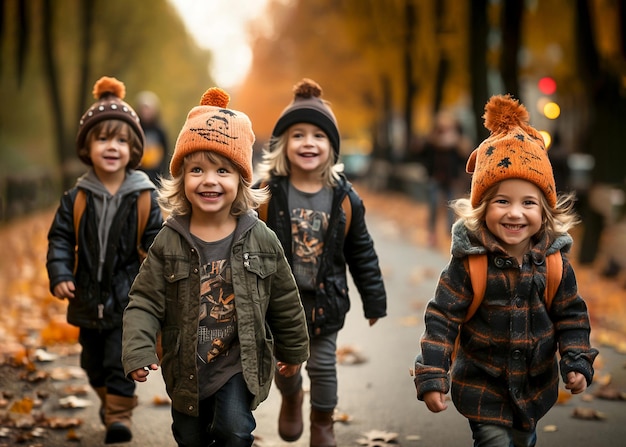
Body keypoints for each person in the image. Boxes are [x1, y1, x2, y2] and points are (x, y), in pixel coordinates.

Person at [121, 86, 309, 447]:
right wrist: (139, 349)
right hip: (186, 364)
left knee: (234, 430)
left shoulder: (260, 237)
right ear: (182, 178)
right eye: (197, 169)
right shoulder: (169, 239)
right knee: (189, 437)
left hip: (239, 361)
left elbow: (284, 298)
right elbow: (144, 300)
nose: (209, 180)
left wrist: (293, 350)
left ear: (241, 180)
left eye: (223, 170)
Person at [413, 94, 599, 447]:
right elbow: (442, 318)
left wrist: (576, 361)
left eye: (528, 202)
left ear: (545, 211)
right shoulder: (470, 263)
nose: (515, 213)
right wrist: (433, 374)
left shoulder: (555, 264)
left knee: (522, 440)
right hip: (481, 388)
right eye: (502, 201)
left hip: (534, 389)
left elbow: (571, 317)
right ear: (482, 208)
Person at [255, 78, 387, 447]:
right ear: (283, 144)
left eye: (318, 135)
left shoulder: (345, 198)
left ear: (331, 147)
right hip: (281, 302)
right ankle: (292, 396)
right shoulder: (268, 193)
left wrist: (374, 299)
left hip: (325, 300)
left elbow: (361, 251)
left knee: (324, 365)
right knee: (285, 364)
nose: (308, 142)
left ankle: (323, 422)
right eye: (298, 135)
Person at [46, 76, 164, 444]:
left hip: (129, 297)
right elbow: (61, 238)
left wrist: (161, 288)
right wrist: (61, 272)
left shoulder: (144, 197)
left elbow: (158, 245)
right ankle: (109, 402)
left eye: (120, 140)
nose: (111, 147)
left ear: (133, 149)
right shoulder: (77, 197)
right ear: (87, 146)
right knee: (92, 365)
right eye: (102, 139)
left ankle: (119, 417)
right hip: (87, 295)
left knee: (119, 360)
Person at [418, 110, 471, 248]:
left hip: (450, 179)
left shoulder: (457, 141)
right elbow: (421, 153)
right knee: (434, 206)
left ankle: (449, 234)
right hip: (435, 177)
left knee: (450, 207)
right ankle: (432, 235)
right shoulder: (432, 140)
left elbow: (464, 157)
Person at [135, 90, 170, 186]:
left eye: (148, 109)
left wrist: (164, 173)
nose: (146, 112)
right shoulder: (135, 129)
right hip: (138, 173)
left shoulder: (160, 131)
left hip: (155, 175)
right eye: (144, 109)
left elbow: (166, 152)